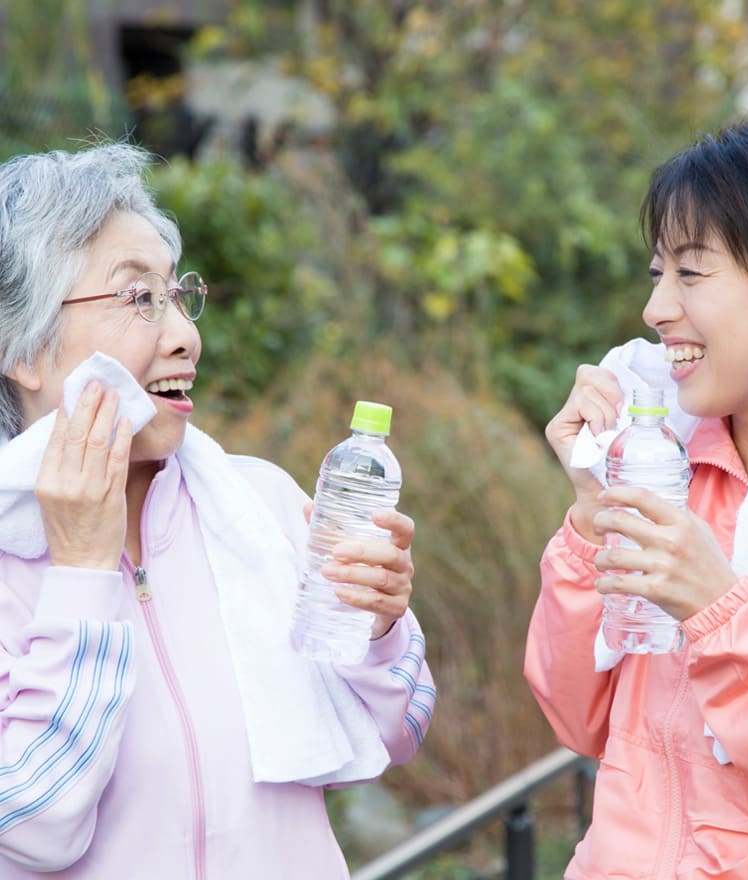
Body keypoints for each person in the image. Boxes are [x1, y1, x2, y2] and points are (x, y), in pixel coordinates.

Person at [0, 142, 435, 879]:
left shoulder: (258, 505)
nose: (185, 336)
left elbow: (403, 725)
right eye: (138, 298)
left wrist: (381, 628)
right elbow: (34, 827)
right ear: (28, 351)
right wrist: (79, 574)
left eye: (176, 295)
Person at [524, 118, 748, 879]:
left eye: (691, 274)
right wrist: (592, 512)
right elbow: (579, 721)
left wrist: (721, 611)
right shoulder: (667, 462)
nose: (656, 310)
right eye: (657, 274)